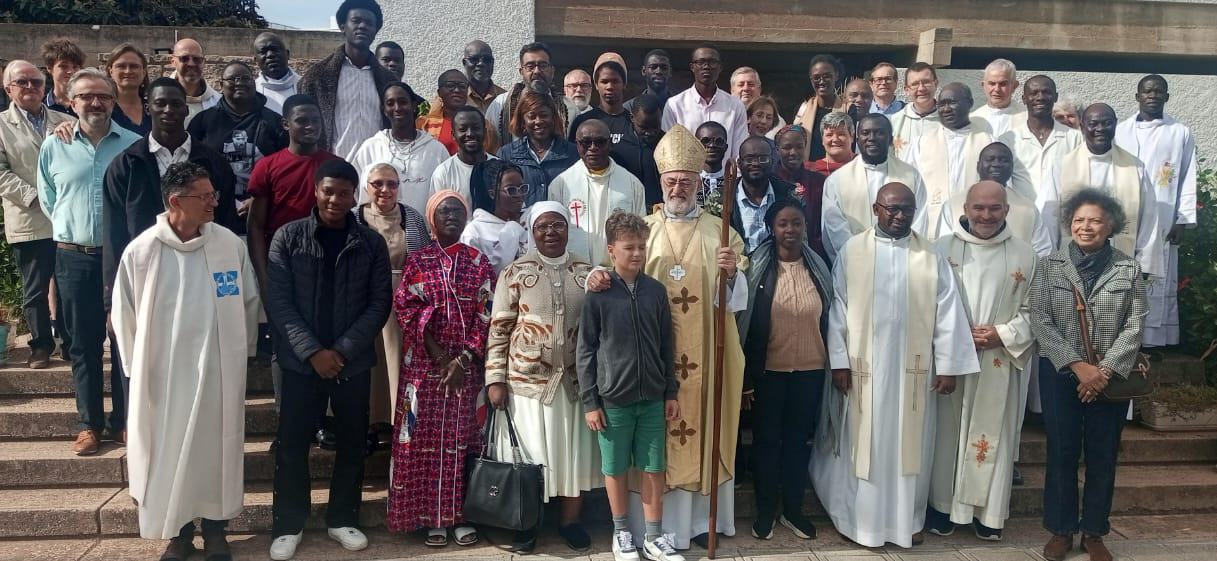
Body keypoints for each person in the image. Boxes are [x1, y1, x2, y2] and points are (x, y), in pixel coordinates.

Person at [587, 123, 748, 550]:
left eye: (687, 181)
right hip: (648, 364)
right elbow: (614, 278)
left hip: (703, 360)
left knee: (692, 433)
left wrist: (731, 275)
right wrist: (597, 276)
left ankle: (695, 523)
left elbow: (737, 302)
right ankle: (644, 531)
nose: (679, 187)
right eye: (672, 180)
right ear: (660, 182)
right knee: (650, 450)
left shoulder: (722, 231)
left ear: (699, 183)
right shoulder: (642, 231)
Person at [810, 182, 979, 549]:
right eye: (893, 209)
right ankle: (859, 520)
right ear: (876, 208)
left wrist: (948, 365)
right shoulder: (853, 251)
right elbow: (838, 309)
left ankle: (907, 520)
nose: (900, 216)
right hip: (863, 370)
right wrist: (839, 361)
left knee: (910, 447)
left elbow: (948, 313)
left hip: (913, 374)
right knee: (864, 445)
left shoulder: (929, 256)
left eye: (907, 209)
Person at [112, 162, 259, 556]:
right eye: (206, 196)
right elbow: (124, 317)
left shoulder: (228, 244)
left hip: (218, 373)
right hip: (165, 376)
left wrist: (239, 357)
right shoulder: (142, 252)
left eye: (214, 195)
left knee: (216, 451)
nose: (215, 203)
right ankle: (178, 534)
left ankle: (215, 531)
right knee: (169, 450)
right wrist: (137, 371)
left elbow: (247, 302)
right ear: (176, 201)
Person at [267, 158, 392, 561]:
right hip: (299, 362)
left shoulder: (369, 242)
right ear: (316, 192)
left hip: (350, 362)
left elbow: (378, 304)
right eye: (328, 191)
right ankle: (289, 523)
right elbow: (280, 304)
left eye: (344, 192)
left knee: (354, 442)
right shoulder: (287, 237)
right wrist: (313, 352)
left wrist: (340, 351)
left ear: (355, 195)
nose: (335, 199)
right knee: (292, 445)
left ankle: (342, 518)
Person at [1029, 188, 1147, 561]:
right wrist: (1079, 367)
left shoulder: (1128, 268)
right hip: (1062, 373)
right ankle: (1061, 530)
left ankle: (1094, 531)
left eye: (1095, 220)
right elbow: (1040, 320)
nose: (1086, 227)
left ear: (1110, 225)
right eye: (1079, 220)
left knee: (1102, 454)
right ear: (1069, 225)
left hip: (1110, 379)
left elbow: (1136, 323)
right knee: (1062, 452)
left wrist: (1105, 370)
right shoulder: (1049, 267)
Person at [486, 201, 601, 553]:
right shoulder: (515, 273)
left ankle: (570, 522)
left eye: (557, 225)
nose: (550, 232)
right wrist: (495, 379)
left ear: (568, 229)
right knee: (531, 458)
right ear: (532, 232)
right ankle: (527, 523)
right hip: (527, 382)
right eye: (542, 227)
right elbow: (500, 329)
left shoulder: (588, 273)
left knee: (573, 457)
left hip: (576, 383)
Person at [38, 68, 141, 455]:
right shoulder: (54, 145)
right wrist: (74, 228)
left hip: (122, 262)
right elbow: (49, 198)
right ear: (71, 101)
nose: (95, 103)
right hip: (74, 258)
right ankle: (88, 425)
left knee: (124, 343)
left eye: (104, 97)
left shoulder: (133, 145)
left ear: (114, 102)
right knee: (82, 345)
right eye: (86, 96)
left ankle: (124, 422)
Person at [926, 181, 1037, 541]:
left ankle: (987, 514)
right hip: (950, 363)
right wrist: (952, 339)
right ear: (966, 208)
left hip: (998, 360)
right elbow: (926, 304)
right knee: (947, 435)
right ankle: (942, 509)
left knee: (993, 437)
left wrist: (1002, 334)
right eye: (979, 208)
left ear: (1007, 210)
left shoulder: (1026, 255)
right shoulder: (941, 249)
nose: (986, 216)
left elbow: (1037, 311)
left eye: (994, 208)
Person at [387, 189, 495, 546]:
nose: (451, 216)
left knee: (465, 442)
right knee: (424, 444)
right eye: (443, 211)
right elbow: (406, 310)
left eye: (458, 211)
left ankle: (463, 516)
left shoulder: (479, 263)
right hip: (424, 370)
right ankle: (431, 517)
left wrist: (463, 359)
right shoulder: (419, 262)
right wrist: (439, 357)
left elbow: (486, 314)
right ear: (431, 219)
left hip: (467, 373)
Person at [578, 210, 684, 561]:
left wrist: (670, 390)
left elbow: (666, 344)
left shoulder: (655, 291)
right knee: (616, 467)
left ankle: (654, 536)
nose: (637, 253)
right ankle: (621, 532)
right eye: (629, 247)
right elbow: (586, 349)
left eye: (641, 246)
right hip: (614, 399)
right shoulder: (599, 294)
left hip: (652, 395)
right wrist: (591, 400)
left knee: (654, 467)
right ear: (612, 250)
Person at [104, 76, 241, 333]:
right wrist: (111, 302)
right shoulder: (126, 165)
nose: (169, 110)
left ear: (186, 108)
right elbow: (114, 235)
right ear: (148, 108)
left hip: (201, 277)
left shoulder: (213, 163)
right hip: (145, 274)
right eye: (161, 103)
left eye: (176, 104)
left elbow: (225, 225)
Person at [735, 199, 833, 541]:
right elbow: (743, 325)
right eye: (782, 224)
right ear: (771, 228)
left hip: (811, 371)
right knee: (766, 442)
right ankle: (765, 510)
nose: (790, 230)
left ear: (805, 227)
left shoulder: (819, 267)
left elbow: (831, 317)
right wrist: (746, 378)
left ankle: (793, 508)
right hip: (769, 373)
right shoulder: (757, 268)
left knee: (797, 441)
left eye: (796, 223)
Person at [351, 162, 430, 452]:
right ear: (366, 187)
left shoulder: (413, 218)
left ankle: (399, 424)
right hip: (364, 298)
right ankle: (369, 423)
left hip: (404, 302)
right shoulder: (354, 217)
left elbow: (424, 263)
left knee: (398, 363)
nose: (385, 190)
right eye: (377, 184)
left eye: (392, 184)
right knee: (369, 366)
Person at [1114, 74, 1196, 348]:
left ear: (1167, 97)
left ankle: (1153, 340)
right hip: (1125, 215)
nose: (1152, 96)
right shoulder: (1120, 130)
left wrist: (1182, 218)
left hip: (1163, 217)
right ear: (1137, 97)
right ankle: (1120, 334)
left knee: (1158, 276)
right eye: (1147, 92)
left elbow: (1186, 175)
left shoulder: (1179, 132)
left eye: (1158, 91)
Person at [1, 60, 73, 369]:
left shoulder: (66, 120)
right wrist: (35, 197)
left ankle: (71, 342)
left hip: (69, 217)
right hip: (29, 216)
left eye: (36, 82)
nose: (31, 87)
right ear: (9, 89)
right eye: (23, 82)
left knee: (71, 284)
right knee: (35, 289)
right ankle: (41, 345)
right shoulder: (1, 125)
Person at [1049, 103, 1162, 279]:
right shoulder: (1062, 166)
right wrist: (1051, 260)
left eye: (1106, 123)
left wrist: (1145, 263)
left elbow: (1148, 216)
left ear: (1115, 124)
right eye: (1093, 124)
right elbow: (1049, 216)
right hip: (1072, 262)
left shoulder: (1135, 167)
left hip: (1120, 261)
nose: (1100, 129)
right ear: (1082, 126)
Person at [247, 94, 338, 309]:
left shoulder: (334, 166)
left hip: (327, 268)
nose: (311, 126)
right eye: (302, 120)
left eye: (316, 120)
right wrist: (263, 277)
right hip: (282, 267)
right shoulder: (267, 167)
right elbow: (256, 226)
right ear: (286, 124)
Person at [188, 61, 289, 235]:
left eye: (245, 78)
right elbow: (191, 167)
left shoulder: (273, 122)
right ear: (221, 85)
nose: (239, 83)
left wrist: (259, 199)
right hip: (215, 214)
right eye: (233, 79)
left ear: (253, 82)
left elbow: (286, 167)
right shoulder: (204, 121)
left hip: (263, 215)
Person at [821, 114, 926, 263]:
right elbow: (834, 227)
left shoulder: (911, 176)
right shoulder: (836, 180)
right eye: (865, 133)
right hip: (857, 261)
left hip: (903, 259)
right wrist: (858, 255)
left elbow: (920, 219)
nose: (872, 138)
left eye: (879, 132)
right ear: (857, 139)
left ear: (890, 140)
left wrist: (901, 253)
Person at [299, 0, 397, 159]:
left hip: (378, 171)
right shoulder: (317, 77)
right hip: (333, 171)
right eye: (356, 21)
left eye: (369, 23)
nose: (362, 26)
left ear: (376, 30)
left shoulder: (388, 80)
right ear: (343, 26)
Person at [550, 119, 647, 266]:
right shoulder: (561, 185)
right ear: (577, 145)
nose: (593, 148)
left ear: (610, 144)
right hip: (574, 272)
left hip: (618, 272)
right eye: (586, 143)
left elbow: (640, 235)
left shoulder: (632, 184)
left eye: (600, 142)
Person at [904, 83, 994, 238]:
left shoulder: (988, 142)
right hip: (931, 229)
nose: (946, 109)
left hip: (975, 229)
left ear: (970, 103)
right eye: (941, 104)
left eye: (952, 102)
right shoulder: (920, 143)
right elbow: (908, 187)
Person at [349, 81, 449, 212]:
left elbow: (446, 195)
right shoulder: (371, 147)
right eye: (390, 103)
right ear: (384, 110)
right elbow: (353, 191)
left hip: (423, 230)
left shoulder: (436, 150)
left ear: (414, 106)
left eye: (403, 102)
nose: (397, 108)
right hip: (376, 230)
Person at [936, 146, 1055, 256]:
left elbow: (1042, 252)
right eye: (990, 159)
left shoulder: (1028, 209)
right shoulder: (953, 205)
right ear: (978, 166)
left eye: (1003, 160)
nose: (996, 164)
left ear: (1012, 167)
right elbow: (942, 248)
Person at [709, 135, 797, 255]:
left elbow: (800, 240)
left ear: (772, 161)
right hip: (736, 269)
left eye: (763, 158)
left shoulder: (788, 194)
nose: (756, 164)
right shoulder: (719, 198)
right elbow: (712, 243)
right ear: (739, 163)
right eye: (749, 159)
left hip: (779, 269)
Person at [661, 44, 748, 159]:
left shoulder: (735, 106)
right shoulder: (675, 105)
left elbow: (739, 152)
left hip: (725, 176)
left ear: (720, 67)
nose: (706, 66)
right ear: (692, 67)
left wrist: (733, 176)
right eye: (700, 62)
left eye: (712, 62)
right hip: (687, 176)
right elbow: (668, 151)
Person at [495, 90, 579, 206]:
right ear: (523, 121)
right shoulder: (507, 154)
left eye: (544, 115)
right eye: (532, 116)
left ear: (553, 118)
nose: (538, 121)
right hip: (521, 222)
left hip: (560, 221)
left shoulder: (573, 153)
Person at [486, 42, 572, 143]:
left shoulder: (569, 108)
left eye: (543, 65)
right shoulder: (501, 104)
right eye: (530, 66)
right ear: (521, 71)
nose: (537, 71)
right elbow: (489, 144)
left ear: (552, 71)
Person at [460, 159, 529, 274]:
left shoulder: (530, 219)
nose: (519, 195)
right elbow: (481, 273)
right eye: (511, 190)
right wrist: (512, 229)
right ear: (492, 193)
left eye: (522, 188)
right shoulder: (475, 232)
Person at [772, 125, 827, 259]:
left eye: (799, 147)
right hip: (776, 255)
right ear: (777, 149)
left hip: (814, 253)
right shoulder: (770, 181)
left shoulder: (819, 182)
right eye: (787, 147)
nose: (793, 152)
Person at [417, 69, 499, 157]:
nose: (457, 90)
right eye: (450, 85)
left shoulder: (484, 125)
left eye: (462, 86)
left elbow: (492, 157)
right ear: (439, 92)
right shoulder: (423, 124)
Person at [430, 105, 496, 202]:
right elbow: (436, 213)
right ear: (453, 135)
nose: (470, 134)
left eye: (476, 128)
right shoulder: (443, 173)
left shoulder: (500, 169)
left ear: (485, 132)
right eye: (462, 129)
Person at [792, 54, 848, 162]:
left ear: (836, 75)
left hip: (838, 172)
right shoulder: (801, 110)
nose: (821, 81)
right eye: (816, 77)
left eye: (827, 76)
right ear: (811, 79)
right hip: (808, 174)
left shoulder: (848, 110)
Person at [569, 61, 633, 153]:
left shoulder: (633, 122)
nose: (609, 87)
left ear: (624, 84)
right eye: (604, 82)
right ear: (596, 85)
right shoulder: (583, 121)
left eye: (615, 81)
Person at [889, 62, 940, 160]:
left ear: (936, 84)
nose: (921, 88)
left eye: (926, 82)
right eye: (915, 84)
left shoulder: (948, 121)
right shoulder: (895, 121)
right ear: (907, 89)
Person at [168, 39, 221, 124]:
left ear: (203, 62)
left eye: (196, 59)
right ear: (172, 61)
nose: (191, 64)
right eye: (184, 58)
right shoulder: (158, 100)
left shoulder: (218, 103)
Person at [626, 94, 665, 207]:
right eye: (643, 127)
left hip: (661, 213)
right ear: (632, 118)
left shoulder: (669, 144)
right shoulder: (620, 146)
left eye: (655, 127)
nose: (650, 132)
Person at [971, 59, 1024, 138]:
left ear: (1014, 86)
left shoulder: (1027, 118)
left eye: (1003, 84)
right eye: (992, 83)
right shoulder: (972, 120)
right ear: (983, 85)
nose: (997, 89)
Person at [105, 43, 150, 136]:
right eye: (121, 66)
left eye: (134, 66)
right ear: (111, 72)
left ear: (144, 72)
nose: (128, 71)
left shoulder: (155, 108)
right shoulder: (103, 108)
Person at [253, 32, 302, 115]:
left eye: (275, 49)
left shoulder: (305, 84)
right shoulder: (252, 91)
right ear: (256, 60)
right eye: (263, 51)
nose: (270, 55)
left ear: (287, 54)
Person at [732, 68, 787, 135]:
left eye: (750, 84)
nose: (746, 88)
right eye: (741, 85)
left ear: (759, 89)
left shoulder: (778, 123)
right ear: (732, 90)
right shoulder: (724, 116)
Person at [41, 37, 83, 115]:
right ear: (50, 68)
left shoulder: (87, 105)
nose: (71, 71)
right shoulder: (40, 106)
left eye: (75, 67)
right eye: (64, 66)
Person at [624, 49, 673, 113]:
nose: (658, 71)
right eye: (653, 67)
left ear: (670, 72)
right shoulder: (630, 108)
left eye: (664, 68)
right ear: (644, 71)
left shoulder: (679, 105)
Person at [463, 40, 505, 114]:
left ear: (492, 63)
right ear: (464, 63)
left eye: (486, 59)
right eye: (474, 59)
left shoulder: (505, 99)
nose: (481, 64)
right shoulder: (454, 97)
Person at [809, 111, 855, 176]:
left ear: (852, 137)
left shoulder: (864, 165)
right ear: (822, 139)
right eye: (829, 135)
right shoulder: (809, 170)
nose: (835, 139)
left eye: (841, 134)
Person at [695, 121, 728, 206]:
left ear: (725, 147)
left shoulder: (734, 185)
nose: (712, 145)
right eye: (705, 141)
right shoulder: (689, 183)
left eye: (719, 141)